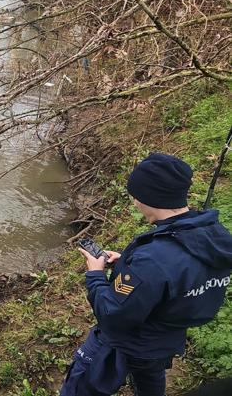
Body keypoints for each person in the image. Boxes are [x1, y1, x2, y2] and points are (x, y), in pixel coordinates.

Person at [61, 153, 232, 396]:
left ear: (150, 198)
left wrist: (95, 274)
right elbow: (177, 275)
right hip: (165, 341)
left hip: (128, 343)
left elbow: (112, 314)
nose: (134, 203)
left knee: (78, 388)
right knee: (150, 382)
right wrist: (127, 267)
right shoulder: (214, 238)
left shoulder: (153, 260)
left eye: (135, 197)